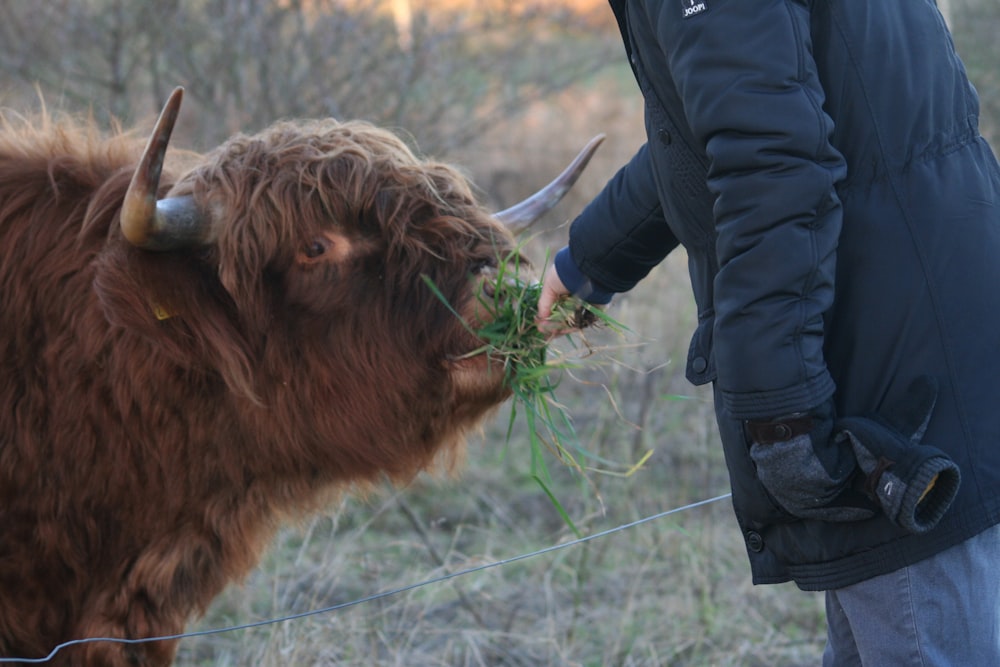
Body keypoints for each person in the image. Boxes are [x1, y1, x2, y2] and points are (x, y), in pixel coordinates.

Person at [536, 1, 1000, 665]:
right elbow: (726, 123)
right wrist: (588, 262)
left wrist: (780, 415)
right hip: (923, 310)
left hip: (885, 358)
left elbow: (770, 168)